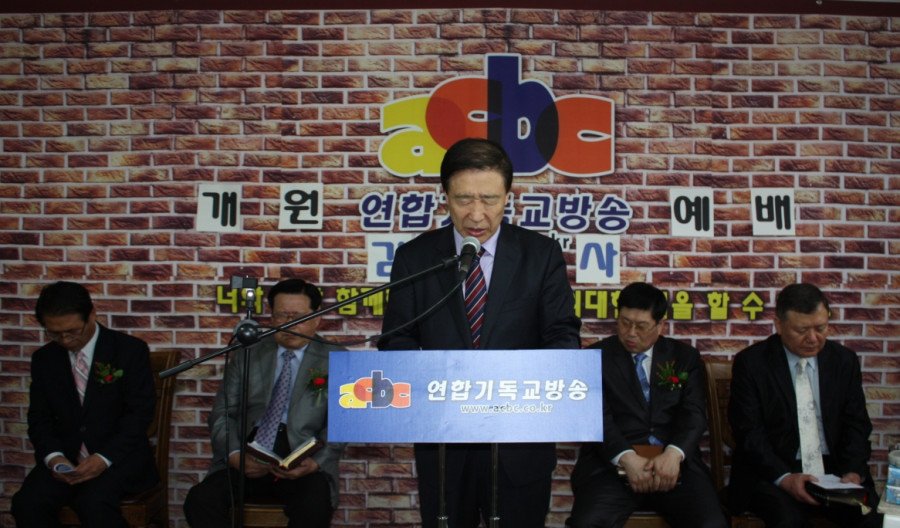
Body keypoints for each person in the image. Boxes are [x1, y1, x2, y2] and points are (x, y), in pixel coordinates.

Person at [377, 137, 581, 528]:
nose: (476, 214)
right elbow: (396, 341)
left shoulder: (541, 254)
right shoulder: (416, 257)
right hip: (444, 445)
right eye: (463, 199)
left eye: (489, 199)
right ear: (444, 197)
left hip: (520, 440)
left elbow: (562, 335)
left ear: (508, 197)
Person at [184, 278, 346, 528]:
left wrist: (315, 463)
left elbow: (342, 422)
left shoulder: (336, 358)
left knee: (314, 506)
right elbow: (223, 412)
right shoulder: (249, 352)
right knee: (200, 500)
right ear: (271, 317)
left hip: (302, 459)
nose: (289, 323)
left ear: (317, 319)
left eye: (298, 316)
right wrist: (236, 456)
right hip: (249, 454)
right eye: (281, 315)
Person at [567, 282, 727, 528]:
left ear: (660, 325)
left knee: (712, 523)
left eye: (641, 326)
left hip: (674, 466)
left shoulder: (684, 357)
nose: (631, 333)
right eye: (624, 323)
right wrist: (627, 457)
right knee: (586, 523)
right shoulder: (594, 357)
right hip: (612, 467)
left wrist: (673, 454)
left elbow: (694, 415)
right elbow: (596, 419)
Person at [728, 283, 882, 528]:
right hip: (773, 472)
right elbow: (749, 432)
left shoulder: (843, 361)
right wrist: (785, 478)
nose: (813, 338)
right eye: (801, 330)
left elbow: (857, 424)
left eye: (820, 328)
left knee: (871, 517)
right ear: (779, 325)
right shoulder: (752, 363)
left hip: (835, 472)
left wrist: (853, 472)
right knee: (790, 521)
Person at [12, 281, 158, 527]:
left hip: (118, 459)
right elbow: (39, 418)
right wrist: (54, 458)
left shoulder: (129, 351)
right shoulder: (44, 359)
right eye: (54, 333)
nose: (65, 339)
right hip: (66, 460)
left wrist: (103, 458)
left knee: (93, 503)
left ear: (91, 315)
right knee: (28, 503)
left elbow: (140, 414)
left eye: (73, 331)